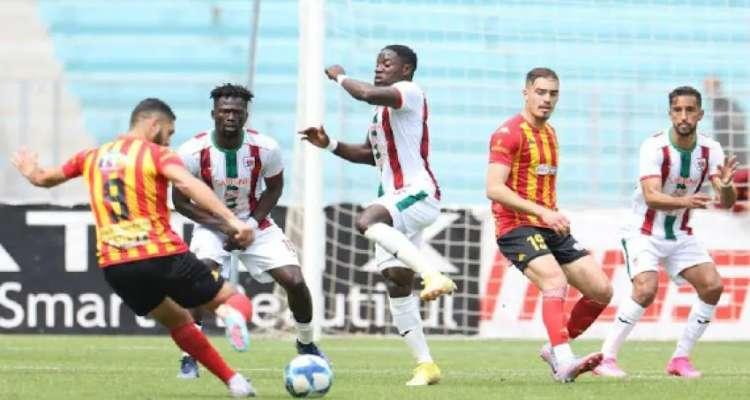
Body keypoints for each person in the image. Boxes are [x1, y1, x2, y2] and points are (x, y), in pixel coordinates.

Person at [11, 98, 257, 397]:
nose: (168, 139)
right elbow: (187, 184)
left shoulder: (91, 156)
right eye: (168, 132)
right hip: (160, 253)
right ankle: (228, 315)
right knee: (233, 300)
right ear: (154, 125)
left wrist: (30, 170)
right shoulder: (157, 154)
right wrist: (232, 220)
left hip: (116, 265)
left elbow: (44, 178)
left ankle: (234, 382)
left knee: (178, 321)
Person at [299, 44, 455, 386]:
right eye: (377, 63)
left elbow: (366, 93)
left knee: (366, 221)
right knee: (396, 280)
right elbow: (368, 154)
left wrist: (339, 77)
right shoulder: (381, 114)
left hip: (418, 192)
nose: (379, 68)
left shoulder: (409, 92)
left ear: (406, 70)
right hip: (395, 200)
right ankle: (426, 365)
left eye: (387, 63)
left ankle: (433, 275)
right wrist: (328, 143)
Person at [172, 84, 326, 379]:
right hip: (212, 225)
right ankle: (189, 357)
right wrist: (225, 226)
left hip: (256, 223)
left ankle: (306, 344)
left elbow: (275, 188)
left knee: (294, 281)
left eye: (236, 112)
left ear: (246, 115)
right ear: (213, 114)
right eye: (224, 111)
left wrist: (250, 225)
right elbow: (180, 202)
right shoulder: (192, 151)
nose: (230, 116)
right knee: (198, 279)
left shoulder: (266, 148)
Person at [594, 86, 737, 379]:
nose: (683, 116)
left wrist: (725, 187)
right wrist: (686, 202)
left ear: (700, 114)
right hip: (643, 231)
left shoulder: (711, 149)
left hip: (680, 233)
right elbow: (651, 196)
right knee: (645, 289)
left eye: (689, 110)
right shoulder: (654, 147)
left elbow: (726, 201)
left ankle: (680, 359)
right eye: (677, 110)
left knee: (712, 286)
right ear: (670, 113)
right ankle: (605, 358)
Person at [485, 68, 613, 383]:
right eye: (540, 92)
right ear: (526, 93)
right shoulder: (508, 133)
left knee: (601, 290)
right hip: (515, 225)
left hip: (549, 225)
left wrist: (549, 214)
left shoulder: (550, 133)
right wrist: (543, 212)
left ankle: (555, 347)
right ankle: (565, 360)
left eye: (553, 93)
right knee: (554, 281)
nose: (547, 99)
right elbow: (494, 188)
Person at [704, 77, 747, 165]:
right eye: (707, 88)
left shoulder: (727, 105)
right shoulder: (717, 105)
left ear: (718, 88)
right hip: (727, 149)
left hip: (735, 151)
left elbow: (739, 124)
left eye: (710, 88)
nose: (708, 91)